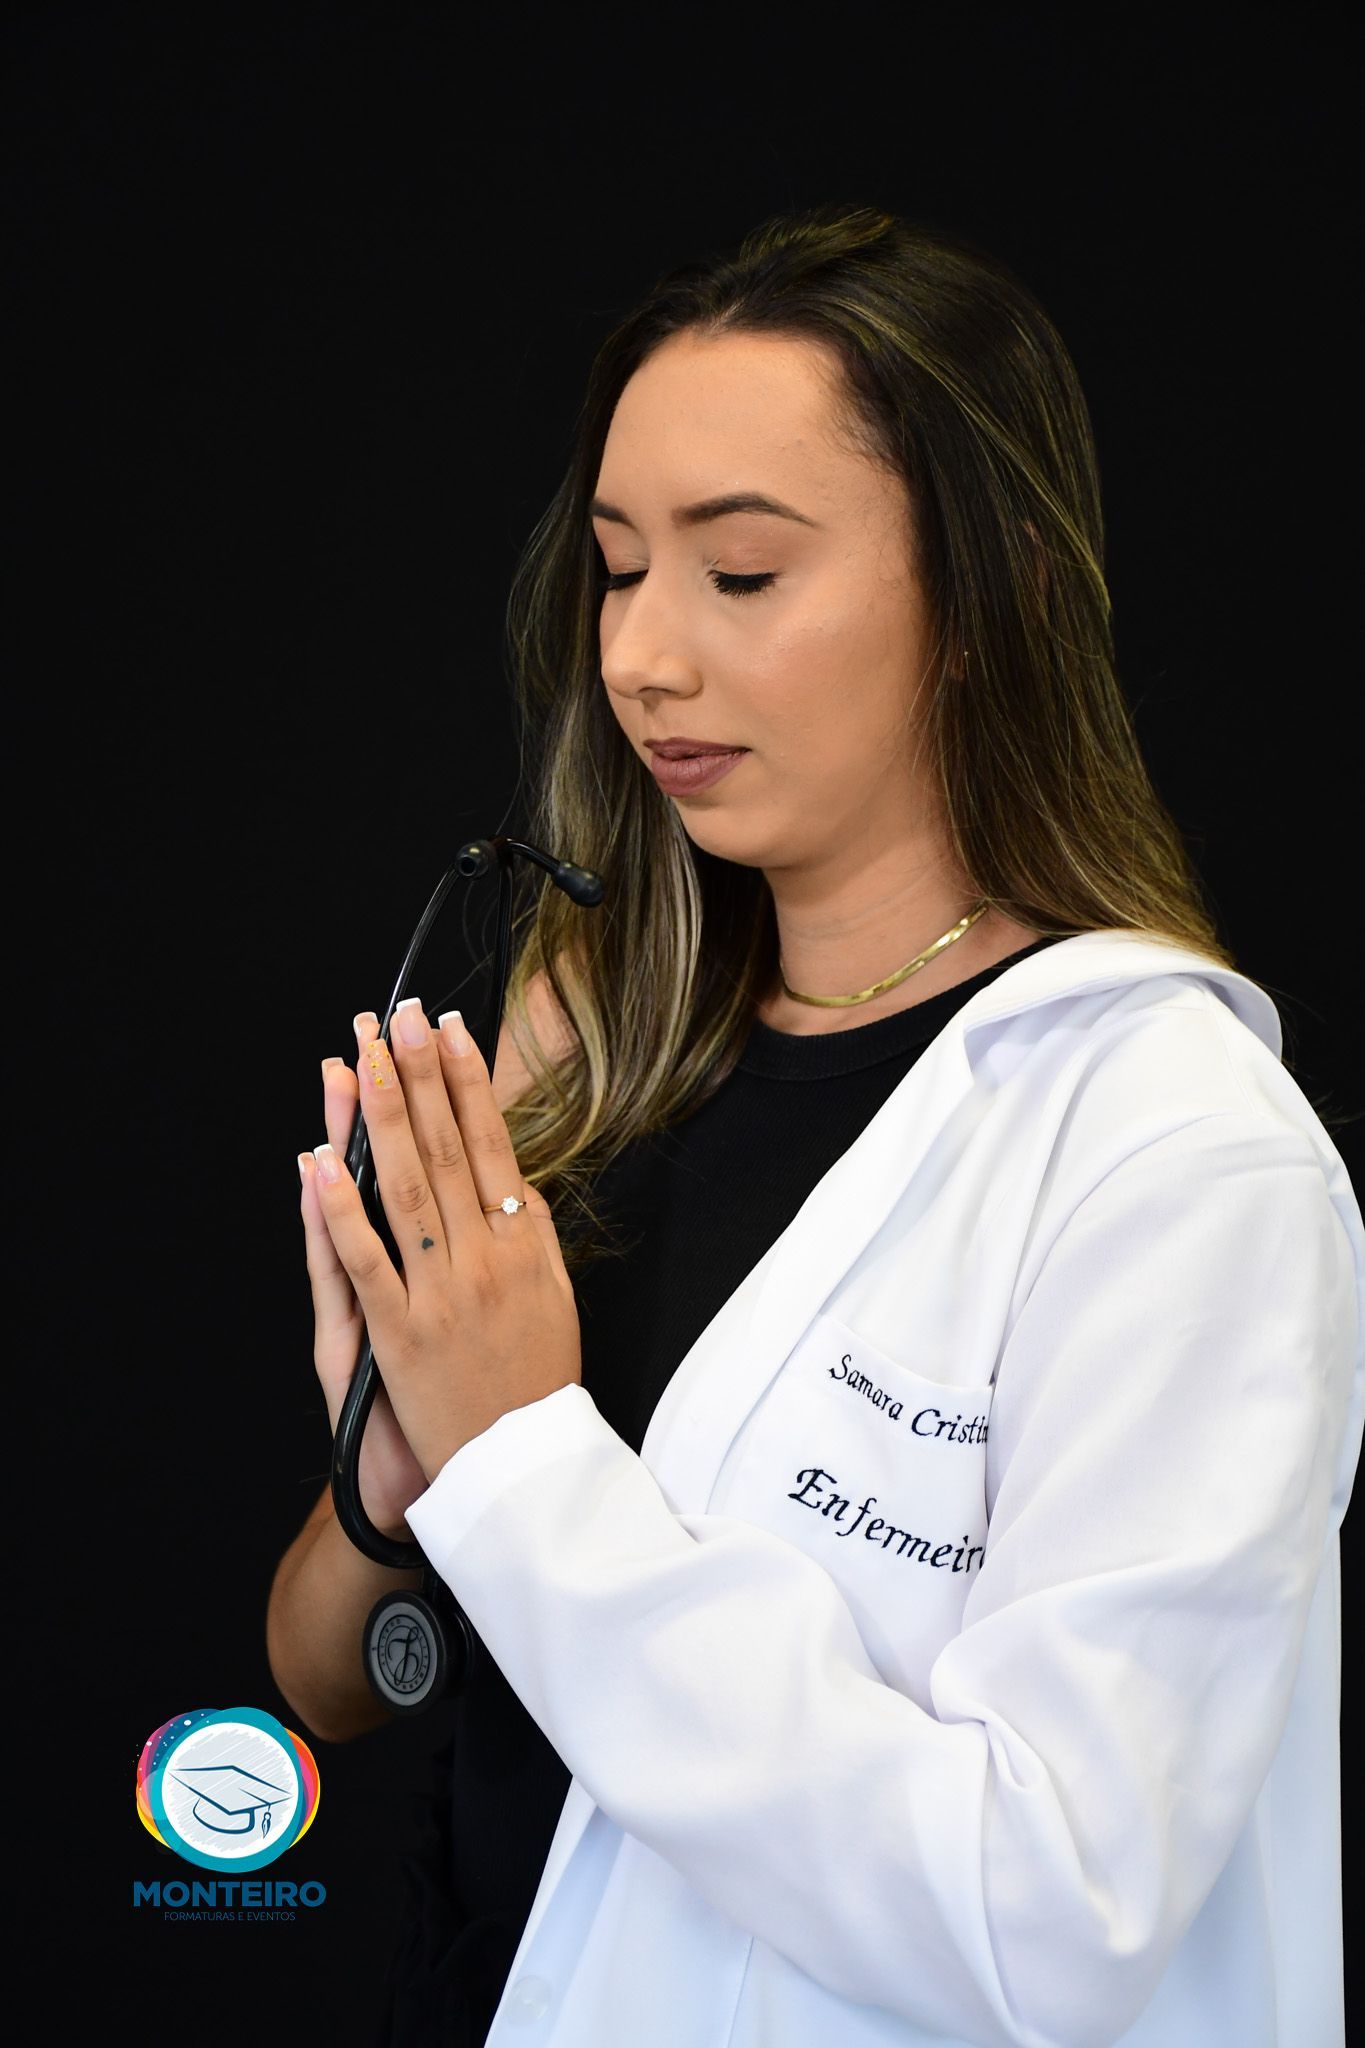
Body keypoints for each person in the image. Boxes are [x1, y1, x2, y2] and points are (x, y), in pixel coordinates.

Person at [266, 204, 1363, 2048]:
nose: (642, 658)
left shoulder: (1172, 1155)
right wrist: (397, 1486)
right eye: (619, 570)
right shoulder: (597, 1048)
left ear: (993, 590)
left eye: (741, 573)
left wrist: (520, 1462)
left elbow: (1050, 1914)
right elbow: (329, 1684)